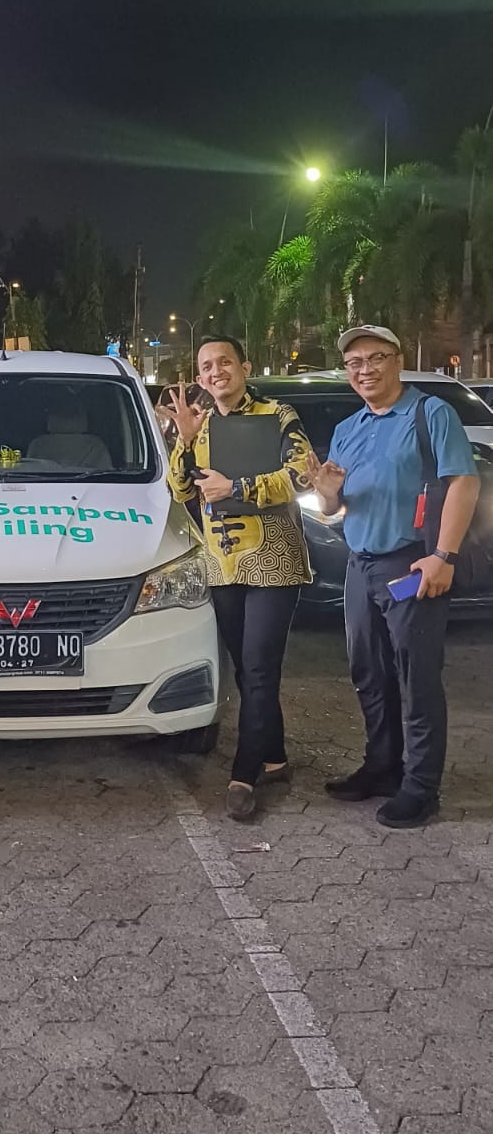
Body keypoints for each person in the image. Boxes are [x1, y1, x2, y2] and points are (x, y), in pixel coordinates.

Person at [308, 325, 479, 828]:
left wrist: (443, 556)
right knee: (369, 672)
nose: (364, 369)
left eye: (375, 358)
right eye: (354, 362)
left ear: (397, 360)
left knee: (415, 676)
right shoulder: (348, 427)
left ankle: (421, 788)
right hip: (360, 566)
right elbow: (333, 506)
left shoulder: (430, 414)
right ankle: (382, 766)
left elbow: (462, 484)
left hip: (412, 564)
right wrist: (328, 493)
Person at [166, 336, 314, 819]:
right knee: (249, 670)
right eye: (206, 366)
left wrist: (239, 487)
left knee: (258, 669)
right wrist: (185, 441)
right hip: (223, 564)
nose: (215, 372)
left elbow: (302, 475)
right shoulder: (200, 424)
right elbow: (179, 487)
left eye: (224, 362)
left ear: (244, 367)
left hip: (273, 561)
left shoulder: (277, 414)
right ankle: (276, 758)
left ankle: (244, 773)